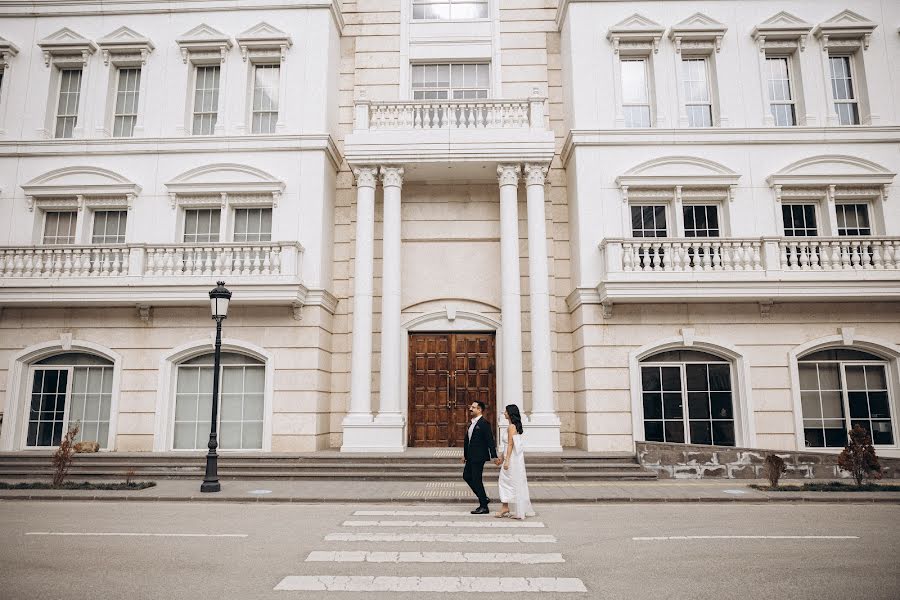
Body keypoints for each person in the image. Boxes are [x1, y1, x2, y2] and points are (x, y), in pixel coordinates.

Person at [494, 404, 535, 520]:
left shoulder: (511, 427)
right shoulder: (512, 426)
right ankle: (506, 506)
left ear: (510, 413)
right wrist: (501, 459)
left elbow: (511, 444)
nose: (504, 413)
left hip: (511, 459)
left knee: (504, 481)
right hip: (511, 457)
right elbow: (508, 445)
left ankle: (505, 507)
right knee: (510, 482)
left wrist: (506, 461)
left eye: (506, 412)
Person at [461, 400, 500, 514]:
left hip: (479, 457)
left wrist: (494, 456)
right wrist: (465, 454)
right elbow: (467, 441)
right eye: (471, 407)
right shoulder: (472, 423)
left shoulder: (484, 424)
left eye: (473, 407)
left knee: (477, 480)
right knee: (466, 476)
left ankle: (484, 506)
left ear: (479, 410)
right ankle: (484, 498)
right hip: (470, 456)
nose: (470, 409)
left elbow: (490, 441)